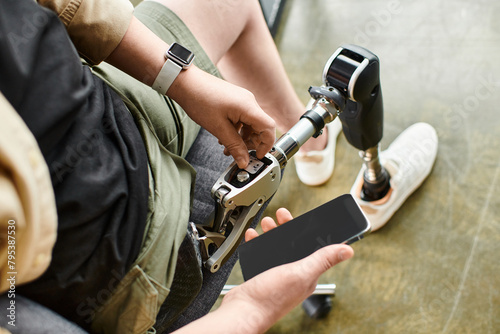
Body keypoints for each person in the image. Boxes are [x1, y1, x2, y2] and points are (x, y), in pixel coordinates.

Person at [0, 0, 438, 332]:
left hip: (101, 103)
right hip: (131, 262)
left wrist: (183, 81)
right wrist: (250, 311)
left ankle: (309, 143)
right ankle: (373, 186)